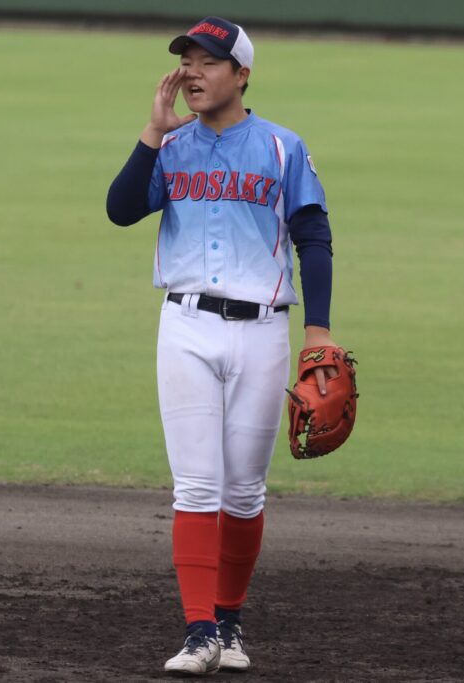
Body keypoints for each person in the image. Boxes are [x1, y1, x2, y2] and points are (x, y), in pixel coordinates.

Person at [106, 16, 337, 676]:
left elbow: (313, 239)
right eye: (187, 60)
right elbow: (121, 209)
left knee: (243, 493)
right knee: (196, 486)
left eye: (208, 61)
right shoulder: (171, 148)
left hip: (263, 332)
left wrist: (318, 331)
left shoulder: (282, 148)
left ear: (242, 74)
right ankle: (199, 631)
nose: (193, 72)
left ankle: (229, 622)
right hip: (186, 328)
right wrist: (152, 132)